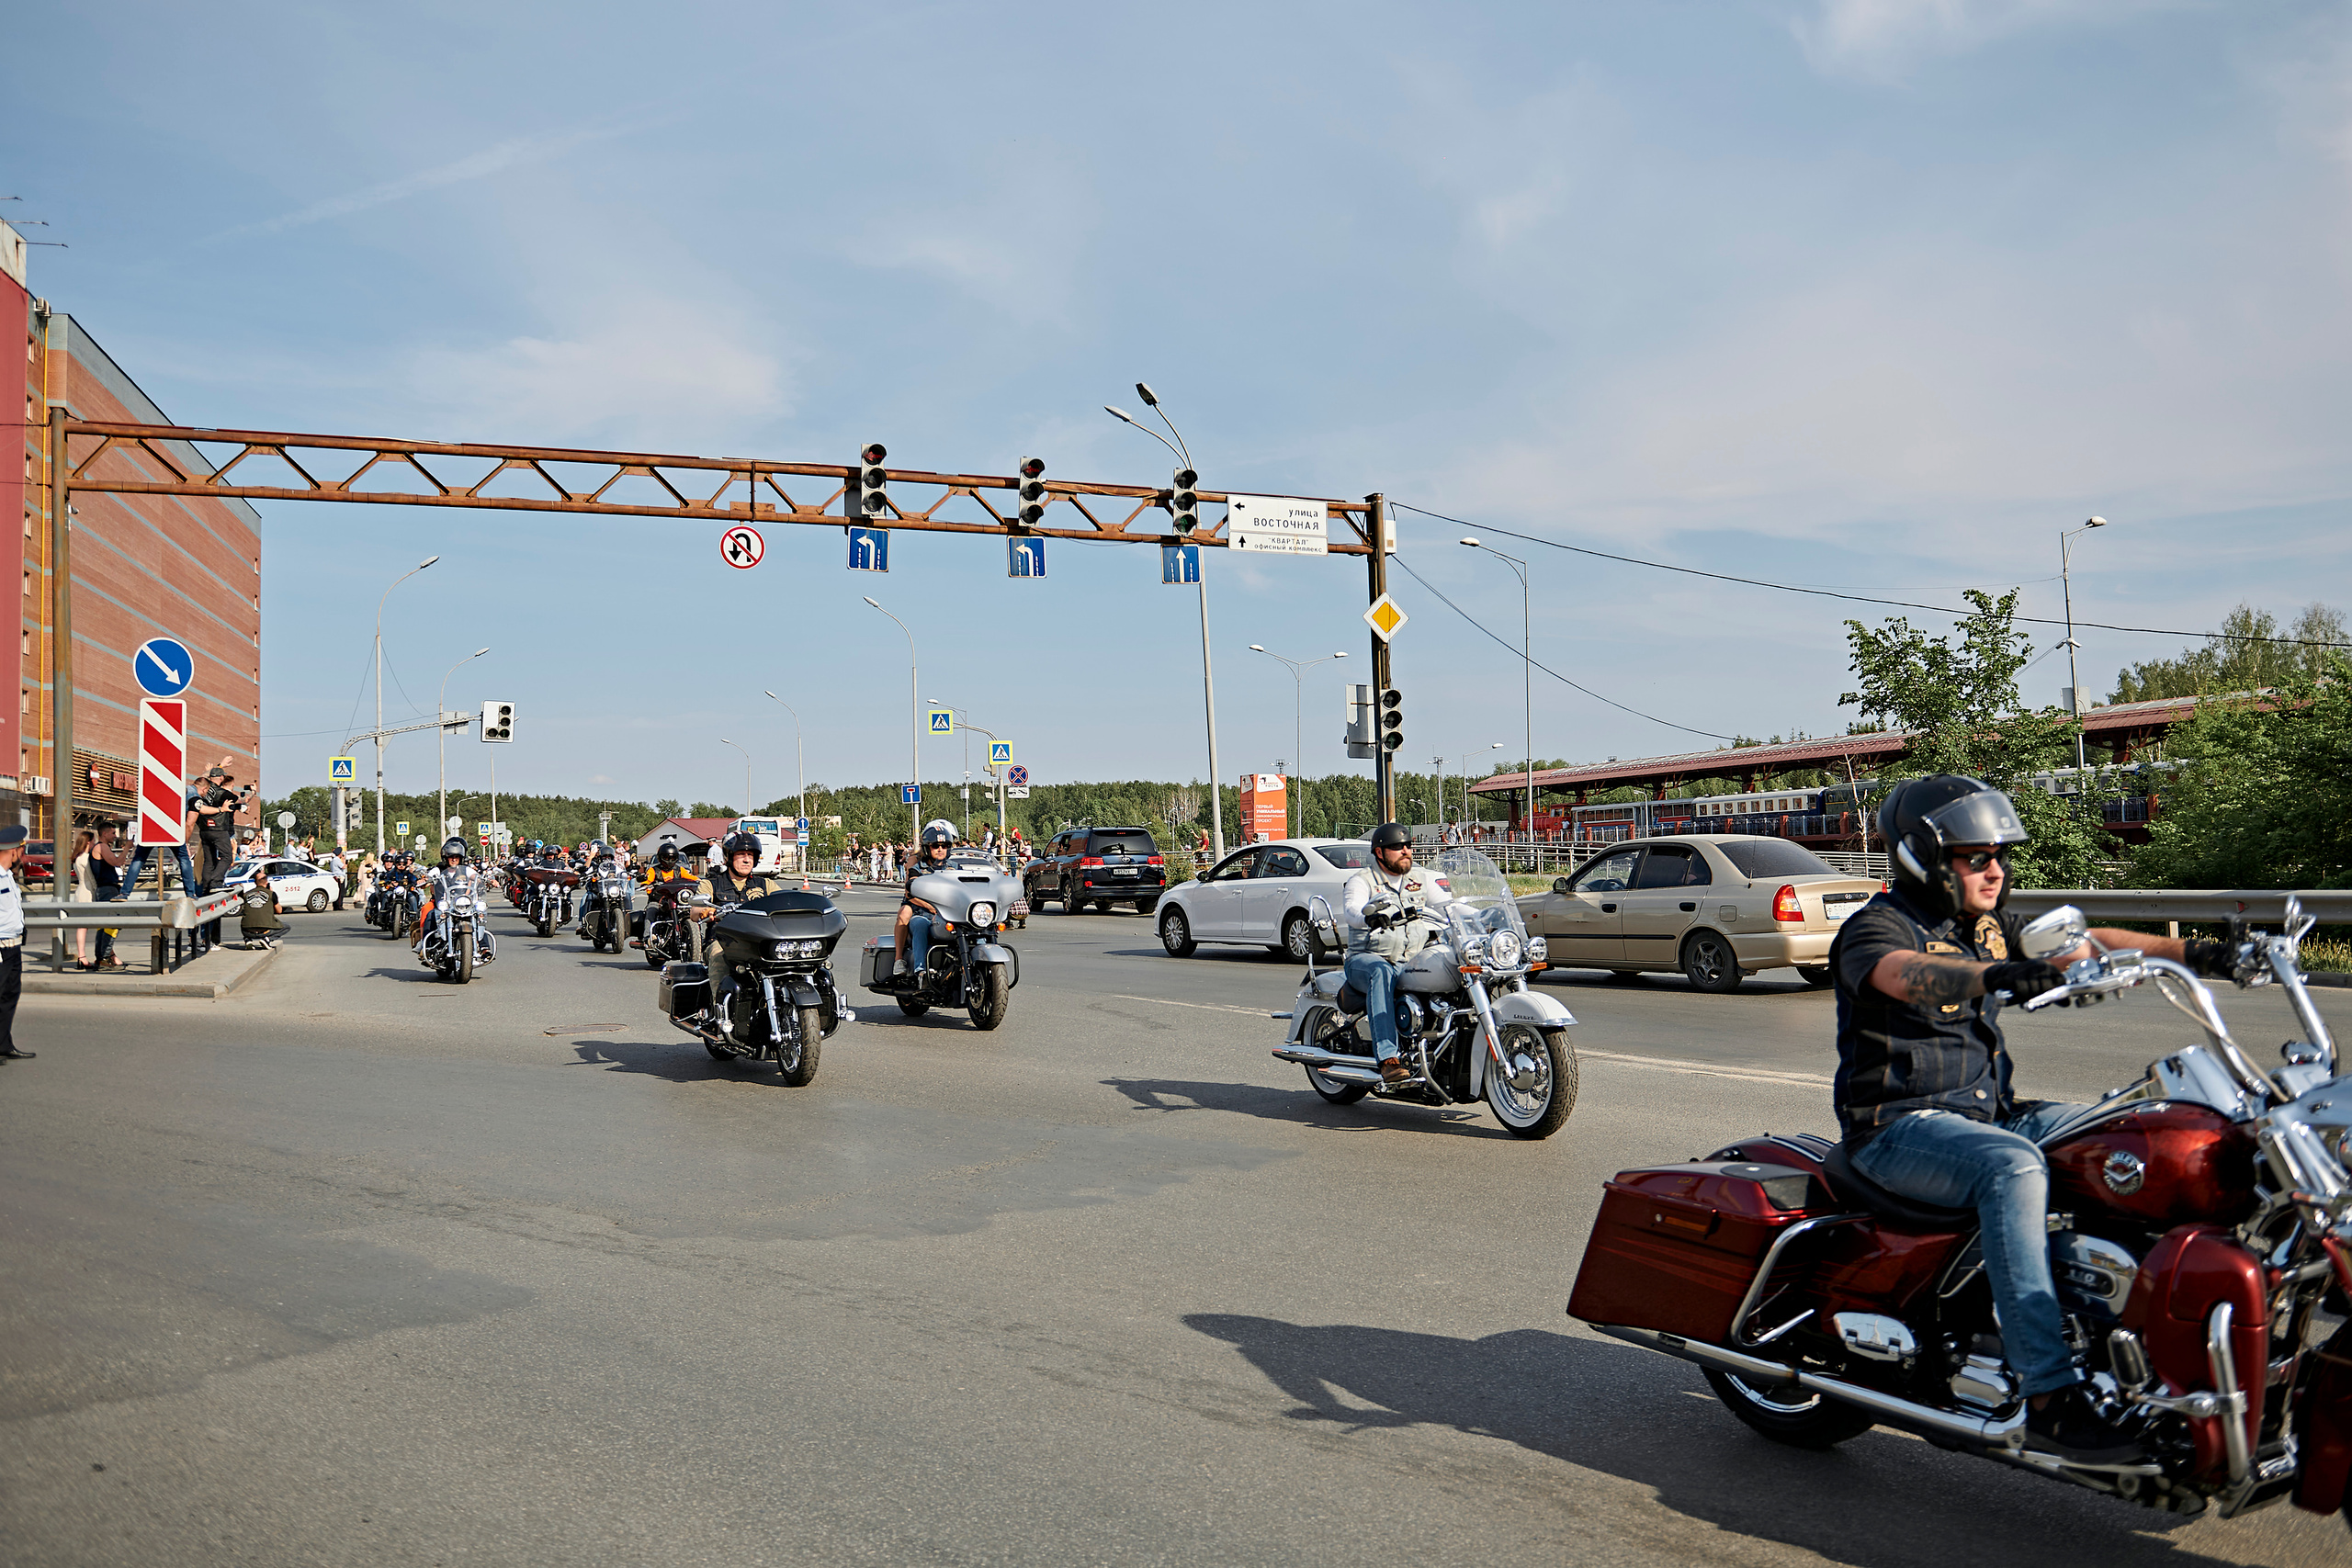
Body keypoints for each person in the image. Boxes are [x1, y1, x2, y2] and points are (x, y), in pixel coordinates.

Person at [1831, 774, 2239, 1463]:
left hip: (1990, 1114)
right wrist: (1991, 978)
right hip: (1897, 1129)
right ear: (1926, 858)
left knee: (2138, 1135)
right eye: (1976, 856)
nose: (1996, 868)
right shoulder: (1877, 928)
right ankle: (2050, 1394)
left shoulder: (1982, 927)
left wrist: (2196, 953)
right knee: (2012, 1167)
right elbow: (1906, 974)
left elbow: (2088, 940)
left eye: (1999, 855)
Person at [1339, 821, 1454, 1086]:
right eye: (1396, 847)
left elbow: (1450, 906)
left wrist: (1483, 918)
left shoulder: (1420, 880)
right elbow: (1352, 910)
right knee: (1381, 972)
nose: (1405, 851)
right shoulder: (1362, 881)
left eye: (1408, 845)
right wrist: (1368, 918)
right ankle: (1389, 1058)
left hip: (1411, 957)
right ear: (1379, 852)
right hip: (1367, 959)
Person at [689, 830, 778, 968]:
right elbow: (694, 912)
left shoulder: (766, 884)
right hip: (722, 941)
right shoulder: (712, 884)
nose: (747, 860)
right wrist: (706, 911)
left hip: (760, 939)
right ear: (728, 857)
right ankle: (721, 990)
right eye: (741, 854)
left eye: (750, 855)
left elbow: (784, 901)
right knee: (720, 958)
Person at [893, 820, 956, 978]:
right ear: (928, 847)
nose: (940, 849)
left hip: (950, 914)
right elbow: (910, 892)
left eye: (945, 845)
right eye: (936, 846)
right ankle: (918, 968)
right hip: (923, 912)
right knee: (918, 923)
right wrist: (932, 908)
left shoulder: (955, 867)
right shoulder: (917, 866)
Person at [413, 838, 470, 955]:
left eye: (457, 856)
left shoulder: (466, 870)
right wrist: (424, 881)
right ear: (445, 856)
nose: (454, 859)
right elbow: (429, 878)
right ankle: (426, 944)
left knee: (478, 917)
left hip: (461, 903)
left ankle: (484, 948)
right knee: (429, 913)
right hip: (442, 903)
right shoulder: (438, 869)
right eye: (451, 856)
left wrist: (488, 880)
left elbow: (477, 877)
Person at [0, 825, 29, 1058]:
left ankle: (3, 1044)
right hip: (0, 948)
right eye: (21, 848)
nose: (23, 853)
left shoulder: (8, 875)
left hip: (13, 947)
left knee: (9, 996)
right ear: (13, 850)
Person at [239, 864, 287, 949]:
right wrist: (272, 894)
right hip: (265, 931)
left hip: (247, 930)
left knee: (246, 921)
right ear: (266, 882)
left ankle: (248, 940)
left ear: (255, 882)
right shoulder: (271, 894)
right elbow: (279, 911)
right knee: (286, 927)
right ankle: (267, 939)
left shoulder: (246, 894)